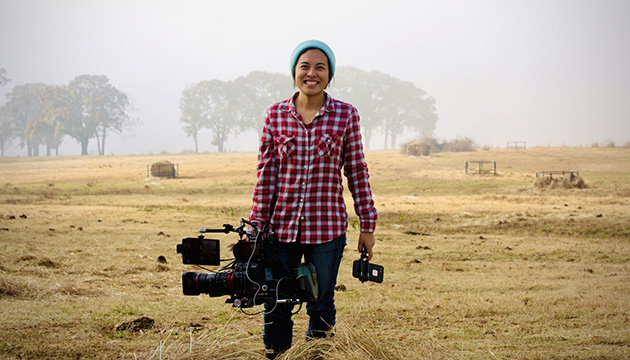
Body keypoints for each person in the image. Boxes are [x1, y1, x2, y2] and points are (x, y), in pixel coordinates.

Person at [248, 39, 378, 359]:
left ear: (329, 75)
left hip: (328, 229)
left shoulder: (346, 115)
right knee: (276, 298)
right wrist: (256, 226)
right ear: (294, 71)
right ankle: (276, 353)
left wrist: (367, 224)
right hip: (281, 228)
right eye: (304, 66)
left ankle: (317, 354)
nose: (312, 73)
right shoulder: (275, 115)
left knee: (321, 301)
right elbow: (266, 175)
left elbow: (357, 171)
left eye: (320, 67)